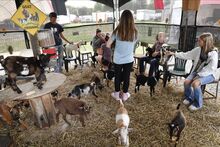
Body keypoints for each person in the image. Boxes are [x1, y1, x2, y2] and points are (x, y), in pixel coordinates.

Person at [166, 32, 219, 111]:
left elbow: (212, 68)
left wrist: (199, 75)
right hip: (197, 72)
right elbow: (186, 55)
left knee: (195, 83)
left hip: (210, 74)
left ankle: (198, 104)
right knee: (186, 82)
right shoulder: (198, 50)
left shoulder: (213, 53)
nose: (198, 41)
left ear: (205, 42)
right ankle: (189, 97)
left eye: (200, 40)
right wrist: (174, 54)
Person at [106, 10, 138, 101]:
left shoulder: (117, 31)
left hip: (118, 59)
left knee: (117, 76)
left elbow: (108, 45)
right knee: (127, 77)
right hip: (129, 59)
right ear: (132, 20)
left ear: (121, 19)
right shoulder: (135, 32)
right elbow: (133, 45)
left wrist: (115, 45)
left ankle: (116, 94)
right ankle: (124, 95)